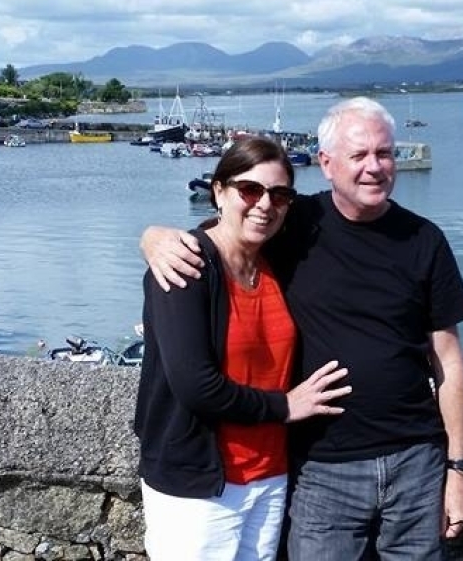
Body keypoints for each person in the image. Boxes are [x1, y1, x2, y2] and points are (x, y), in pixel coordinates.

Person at [141, 97, 463, 560]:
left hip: (416, 461)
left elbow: (450, 363)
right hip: (322, 465)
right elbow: (229, 232)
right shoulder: (297, 222)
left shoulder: (425, 241)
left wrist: (458, 469)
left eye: (384, 153)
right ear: (326, 163)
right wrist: (154, 238)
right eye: (358, 155)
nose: (374, 167)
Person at [135, 135, 353, 561]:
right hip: (199, 481)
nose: (264, 204)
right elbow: (195, 384)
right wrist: (285, 407)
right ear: (218, 190)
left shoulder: (277, 263)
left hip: (269, 475)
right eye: (249, 190)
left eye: (279, 194)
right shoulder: (187, 265)